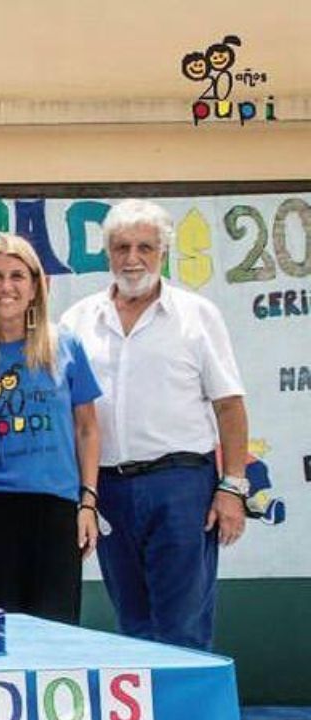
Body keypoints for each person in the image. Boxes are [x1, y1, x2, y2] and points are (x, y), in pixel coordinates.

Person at [60, 199, 248, 650]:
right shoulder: (77, 321)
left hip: (180, 485)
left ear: (163, 252)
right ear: (107, 253)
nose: (132, 258)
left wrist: (233, 488)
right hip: (108, 490)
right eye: (122, 247)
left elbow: (229, 406)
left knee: (182, 625)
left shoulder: (197, 316)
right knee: (133, 624)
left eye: (145, 246)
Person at [0, 233, 101, 624]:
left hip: (54, 510)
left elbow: (87, 429)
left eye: (18, 275)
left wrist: (87, 502)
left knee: (56, 631)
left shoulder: (66, 346)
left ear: (36, 285)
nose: (6, 286)